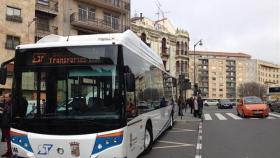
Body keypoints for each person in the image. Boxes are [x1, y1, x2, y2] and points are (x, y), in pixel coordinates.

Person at [1, 93, 12, 157]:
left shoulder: (10, 103)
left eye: (6, 97)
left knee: (8, 139)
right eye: (5, 97)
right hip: (5, 123)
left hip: (7, 123)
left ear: (10, 97)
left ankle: (9, 152)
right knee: (7, 139)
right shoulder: (7, 103)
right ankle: (8, 151)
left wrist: (3, 109)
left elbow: (9, 112)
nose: (5, 98)